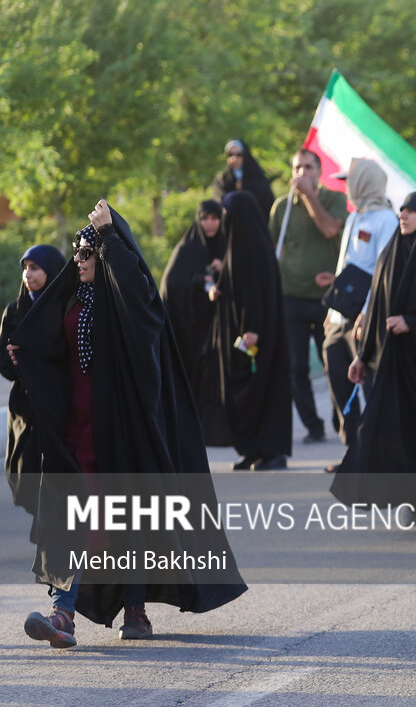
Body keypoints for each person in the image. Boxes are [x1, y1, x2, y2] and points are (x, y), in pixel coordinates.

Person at [12, 202, 246, 647]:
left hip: (122, 429)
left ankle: (134, 609)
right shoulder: (73, 298)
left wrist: (111, 238)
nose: (78, 261)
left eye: (87, 254)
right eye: (78, 253)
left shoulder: (125, 300)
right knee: (72, 516)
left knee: (128, 520)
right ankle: (62, 614)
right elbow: (49, 345)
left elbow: (142, 305)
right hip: (76, 430)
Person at [332, 192, 416, 531]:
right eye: (401, 209)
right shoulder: (391, 252)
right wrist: (363, 356)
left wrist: (414, 323)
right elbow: (378, 308)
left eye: (411, 211)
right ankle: (410, 500)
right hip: (392, 361)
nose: (403, 215)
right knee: (396, 432)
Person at [269, 149, 347, 444]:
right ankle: (312, 426)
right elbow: (274, 248)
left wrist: (309, 196)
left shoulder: (333, 199)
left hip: (327, 298)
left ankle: (340, 421)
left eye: (309, 167)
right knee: (296, 367)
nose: (302, 173)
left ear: (319, 170)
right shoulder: (282, 207)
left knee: (334, 362)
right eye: (297, 167)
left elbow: (329, 229)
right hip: (292, 295)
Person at [211, 191, 293, 470]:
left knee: (263, 387)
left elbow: (258, 293)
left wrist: (252, 328)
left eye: (227, 213)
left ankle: (273, 452)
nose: (224, 219)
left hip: (257, 334)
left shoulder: (255, 248)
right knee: (246, 391)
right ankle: (253, 449)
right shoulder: (237, 245)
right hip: (244, 333)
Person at [322, 159, 399, 443]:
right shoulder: (355, 216)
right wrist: (332, 311)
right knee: (339, 387)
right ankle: (351, 453)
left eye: (349, 182)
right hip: (340, 317)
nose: (346, 188)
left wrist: (368, 313)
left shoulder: (386, 219)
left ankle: (374, 453)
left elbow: (383, 272)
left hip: (364, 320)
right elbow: (345, 263)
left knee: (369, 387)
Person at [2, 244, 65, 514]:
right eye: (26, 268)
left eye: (36, 268)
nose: (29, 274)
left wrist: (33, 356)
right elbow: (5, 361)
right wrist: (21, 364)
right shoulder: (15, 311)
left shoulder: (64, 308)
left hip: (57, 403)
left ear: (51, 271)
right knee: (23, 471)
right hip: (25, 405)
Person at [159, 201, 227, 435]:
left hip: (216, 325)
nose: (210, 224)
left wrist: (223, 268)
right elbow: (172, 284)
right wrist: (201, 280)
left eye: (214, 218)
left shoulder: (225, 246)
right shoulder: (187, 248)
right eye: (205, 218)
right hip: (188, 326)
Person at [212, 138, 274, 215]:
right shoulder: (222, 180)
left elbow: (267, 204)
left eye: (239, 154)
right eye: (230, 154)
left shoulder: (258, 177)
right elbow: (218, 203)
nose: (234, 158)